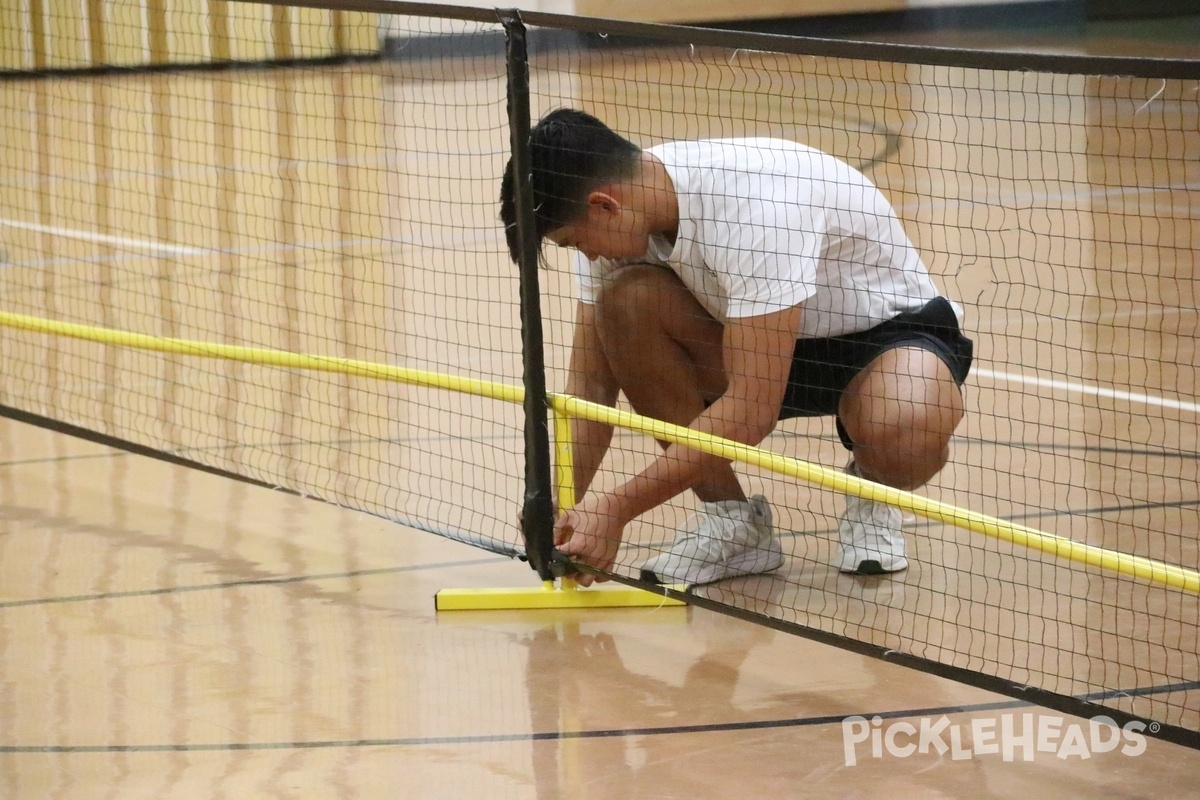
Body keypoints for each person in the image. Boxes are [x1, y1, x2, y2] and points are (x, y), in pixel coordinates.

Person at [499, 108, 972, 587]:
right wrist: (559, 501)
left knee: (907, 422)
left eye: (574, 241)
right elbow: (591, 385)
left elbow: (751, 409)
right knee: (625, 304)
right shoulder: (619, 222)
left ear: (605, 205)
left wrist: (616, 510)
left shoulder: (756, 205)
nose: (588, 255)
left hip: (883, 340)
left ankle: (874, 490)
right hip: (752, 339)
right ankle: (733, 525)